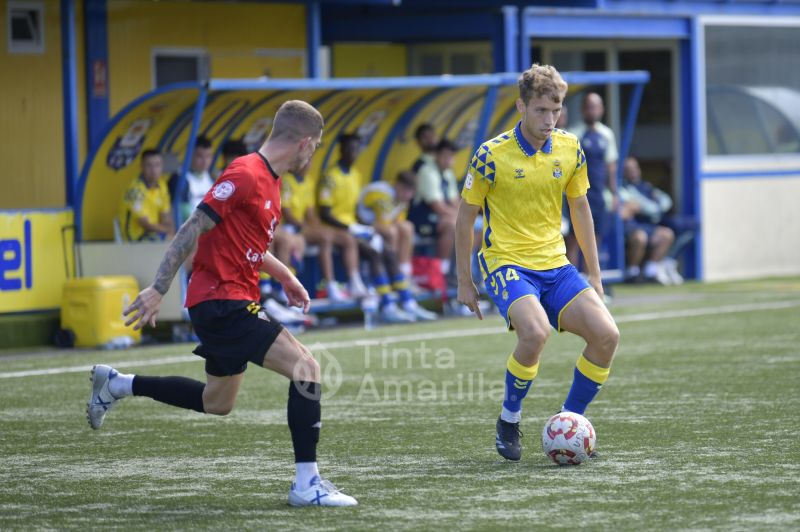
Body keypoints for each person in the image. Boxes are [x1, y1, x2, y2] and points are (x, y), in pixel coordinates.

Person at [87, 100, 357, 507]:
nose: (314, 154)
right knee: (306, 368)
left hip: (230, 299)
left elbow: (249, 246)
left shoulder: (272, 183)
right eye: (315, 146)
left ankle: (118, 384)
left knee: (218, 403)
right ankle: (307, 484)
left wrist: (286, 276)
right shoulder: (246, 173)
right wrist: (160, 287)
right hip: (222, 301)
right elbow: (193, 225)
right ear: (303, 142)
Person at [455, 64, 620, 462]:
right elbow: (464, 218)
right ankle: (509, 419)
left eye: (556, 109)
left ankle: (570, 424)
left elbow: (580, 208)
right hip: (506, 262)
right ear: (521, 107)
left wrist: (594, 275)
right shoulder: (491, 155)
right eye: (541, 110)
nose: (550, 119)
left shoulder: (569, 147)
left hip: (556, 265)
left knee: (607, 336)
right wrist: (464, 280)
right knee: (535, 332)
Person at [318, 134, 413, 323]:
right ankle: (385, 303)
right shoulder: (330, 177)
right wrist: (351, 227)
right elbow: (325, 213)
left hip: (353, 226)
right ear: (341, 150)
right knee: (374, 253)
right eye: (350, 149)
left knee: (388, 251)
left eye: (357, 149)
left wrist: (366, 228)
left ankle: (407, 300)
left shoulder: (356, 175)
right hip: (337, 229)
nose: (354, 153)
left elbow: (357, 209)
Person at [357, 171, 438, 321]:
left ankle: (404, 274)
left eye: (412, 192)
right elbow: (381, 225)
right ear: (398, 186)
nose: (409, 196)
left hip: (376, 231)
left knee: (407, 227)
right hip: (360, 229)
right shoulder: (382, 193)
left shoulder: (402, 198)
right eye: (407, 191)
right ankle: (392, 278)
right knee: (392, 233)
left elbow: (397, 222)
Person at [566, 92, 619, 268]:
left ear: (602, 109)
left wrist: (614, 194)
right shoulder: (574, 134)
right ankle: (573, 286)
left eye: (595, 107)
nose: (592, 111)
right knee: (574, 239)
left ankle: (594, 283)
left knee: (594, 240)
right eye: (588, 107)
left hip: (599, 196)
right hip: (578, 194)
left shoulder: (607, 134)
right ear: (582, 110)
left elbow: (610, 166)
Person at [620, 156, 691, 285]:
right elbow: (639, 207)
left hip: (648, 225)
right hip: (631, 227)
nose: (633, 171)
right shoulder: (622, 188)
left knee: (667, 234)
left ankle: (651, 271)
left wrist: (652, 207)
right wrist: (651, 208)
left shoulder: (646, 186)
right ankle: (633, 272)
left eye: (635, 168)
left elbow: (665, 201)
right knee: (640, 237)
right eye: (628, 169)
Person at [407, 138, 460, 276]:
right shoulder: (427, 171)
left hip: (437, 218)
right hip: (420, 218)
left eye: (451, 156)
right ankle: (442, 272)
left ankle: (468, 269)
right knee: (451, 225)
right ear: (437, 155)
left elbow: (455, 201)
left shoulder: (448, 173)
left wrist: (467, 216)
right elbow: (437, 206)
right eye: (445, 156)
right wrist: (460, 217)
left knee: (477, 225)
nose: (449, 160)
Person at [118, 149, 175, 242]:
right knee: (175, 243)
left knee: (181, 242)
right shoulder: (134, 190)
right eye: (149, 165)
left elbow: (166, 217)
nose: (154, 170)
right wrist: (168, 231)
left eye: (157, 165)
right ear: (141, 167)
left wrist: (171, 231)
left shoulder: (162, 185)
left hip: (155, 234)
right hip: (135, 239)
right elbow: (146, 225)